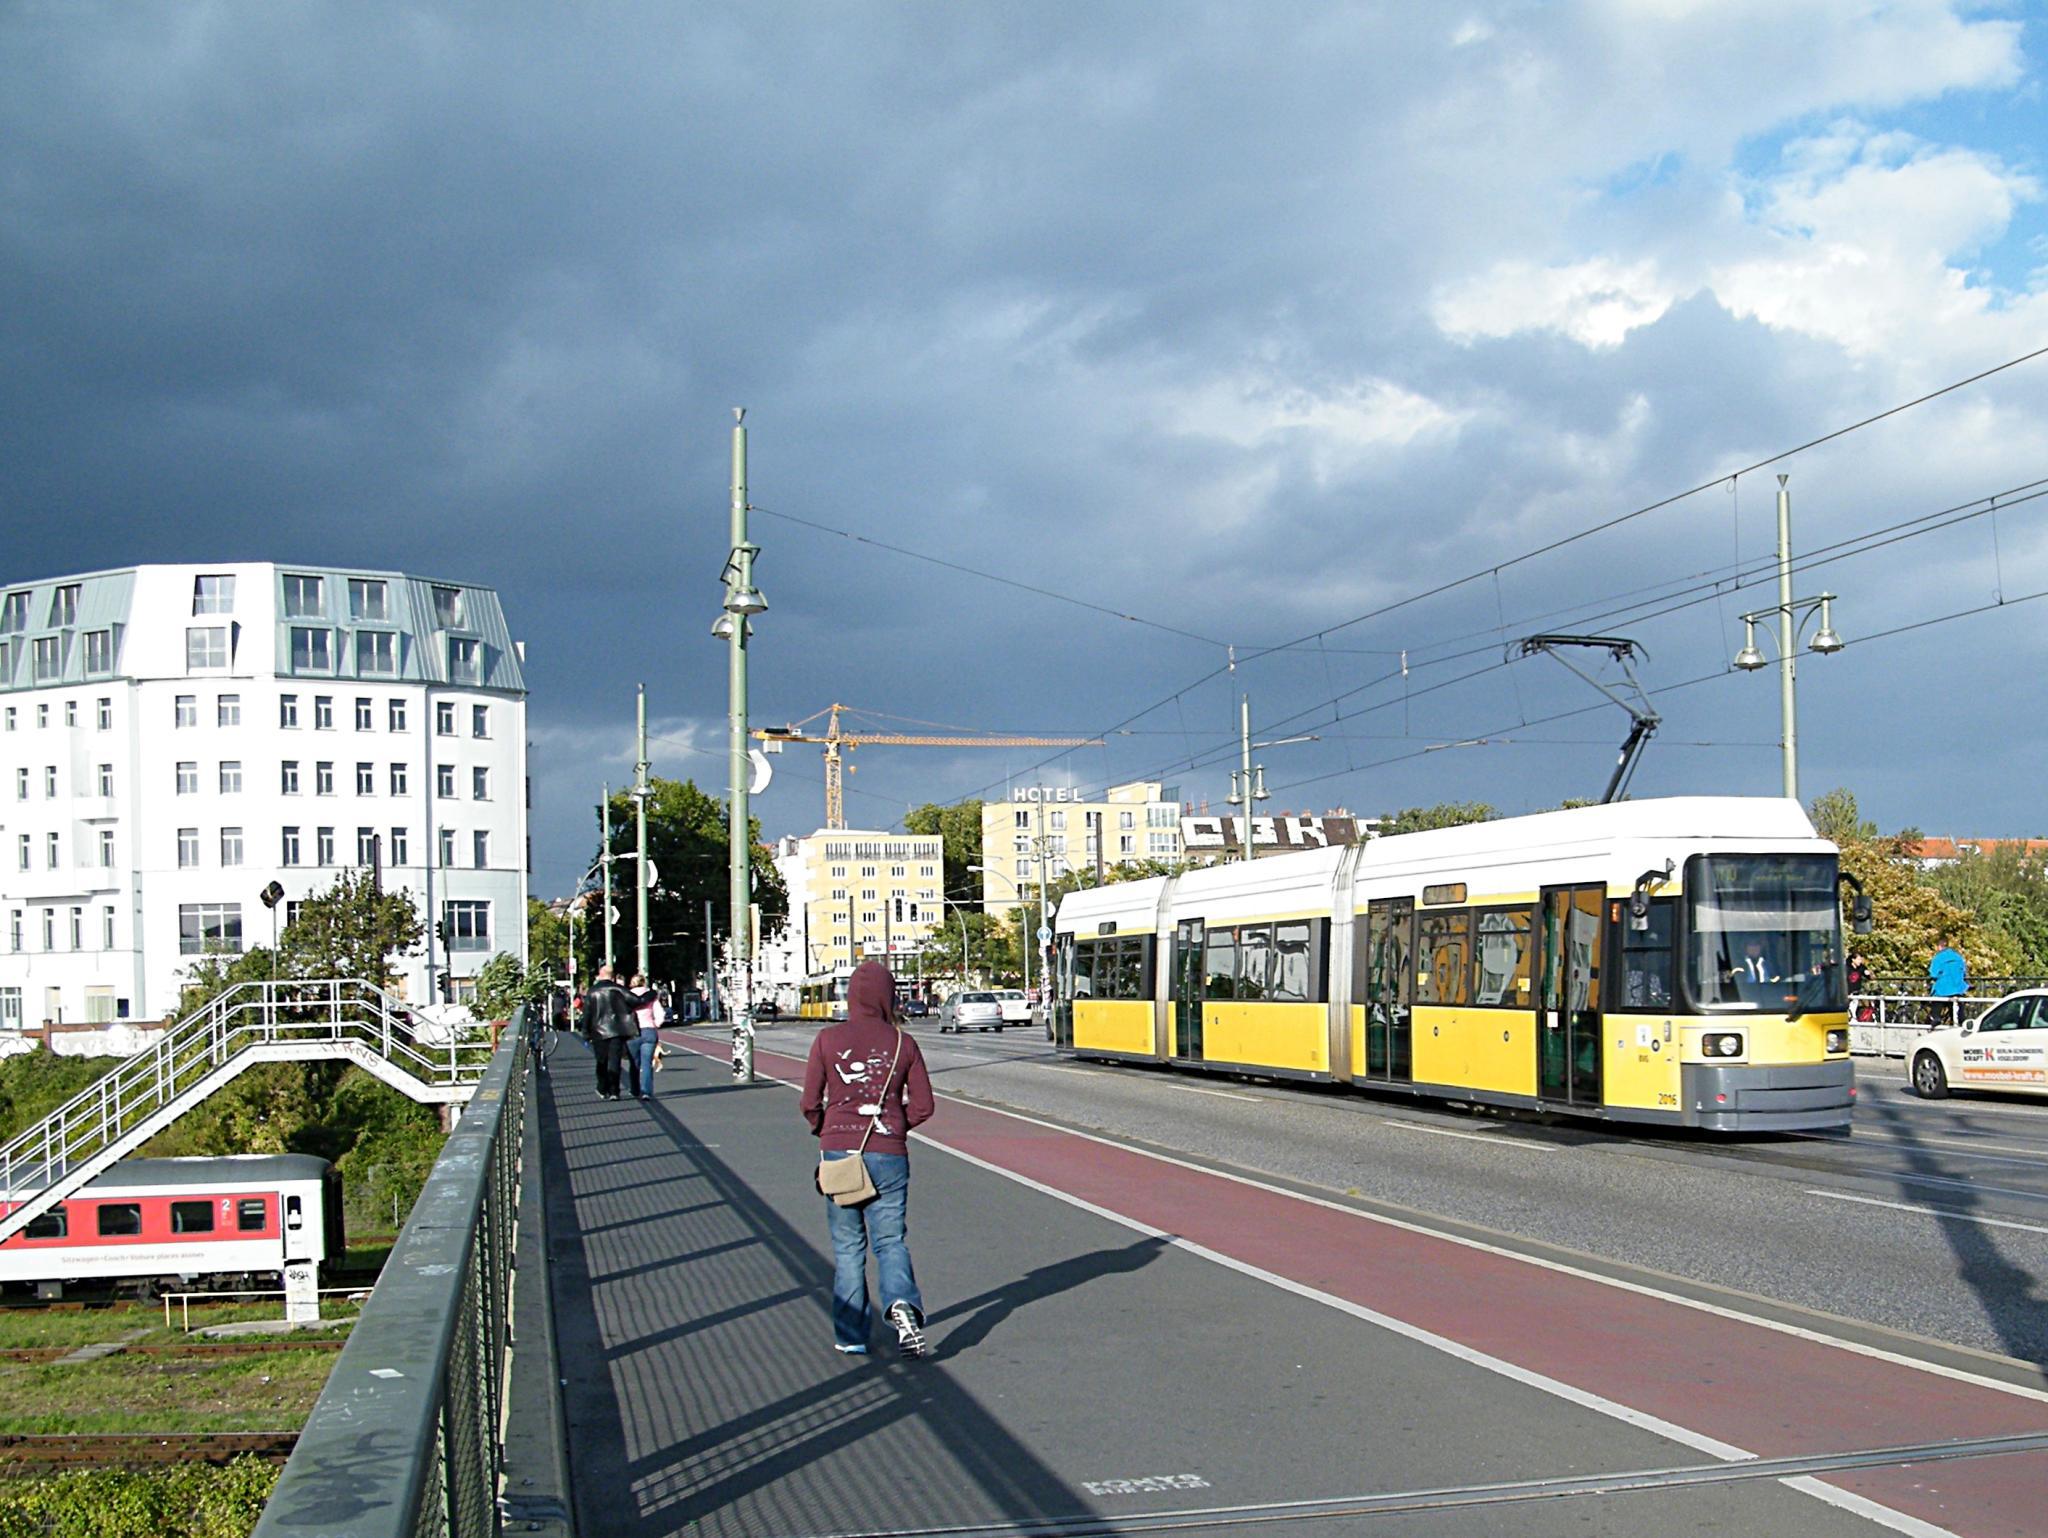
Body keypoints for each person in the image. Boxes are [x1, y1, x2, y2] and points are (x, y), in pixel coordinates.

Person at [800, 960, 935, 1358]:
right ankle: (901, 1305)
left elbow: (809, 1102)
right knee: (891, 1240)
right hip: (890, 1153)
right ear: (888, 996)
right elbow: (924, 1106)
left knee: (847, 1248)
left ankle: (851, 1335)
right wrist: (894, 1128)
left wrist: (826, 1129)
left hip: (840, 1152)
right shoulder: (902, 1043)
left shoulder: (826, 1039)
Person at [583, 964, 638, 1099]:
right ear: (612, 977)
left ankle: (602, 1087)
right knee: (614, 1061)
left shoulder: (592, 991)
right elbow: (635, 1001)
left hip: (598, 1031)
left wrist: (585, 1032)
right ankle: (614, 1091)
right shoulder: (619, 989)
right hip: (617, 1030)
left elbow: (587, 1013)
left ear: (600, 975)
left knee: (601, 1060)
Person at [624, 973, 661, 1099]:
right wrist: (655, 1024)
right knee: (647, 1063)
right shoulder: (652, 996)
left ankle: (634, 1089)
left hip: (632, 1032)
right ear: (644, 982)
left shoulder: (626, 996)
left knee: (634, 1063)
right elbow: (660, 1014)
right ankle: (646, 1091)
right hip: (649, 1030)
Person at [1928, 940, 1967, 1027]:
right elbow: (1964, 972)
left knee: (1936, 1005)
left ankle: (1936, 1019)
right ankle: (1961, 1023)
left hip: (1942, 989)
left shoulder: (1938, 958)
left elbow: (1933, 974)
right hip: (1957, 988)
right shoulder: (1958, 957)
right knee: (1958, 1012)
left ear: (1939, 947)